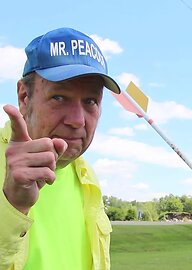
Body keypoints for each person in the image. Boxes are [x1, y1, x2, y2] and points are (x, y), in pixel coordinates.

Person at [0, 27, 121, 270]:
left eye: (90, 101)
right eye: (59, 98)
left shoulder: (86, 177)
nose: (77, 120)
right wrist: (12, 205)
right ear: (24, 97)